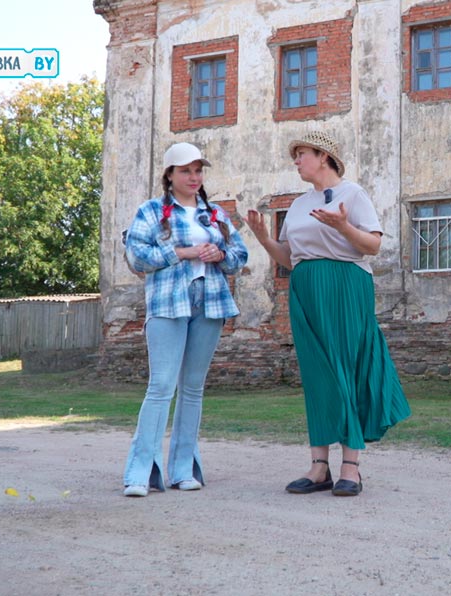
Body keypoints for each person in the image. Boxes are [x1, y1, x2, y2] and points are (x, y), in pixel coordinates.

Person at [244, 130, 410, 497]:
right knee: (317, 372)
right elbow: (290, 257)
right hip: (305, 289)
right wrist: (261, 237)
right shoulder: (300, 204)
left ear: (323, 156)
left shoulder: (353, 194)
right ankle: (319, 467)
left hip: (345, 286)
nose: (296, 161)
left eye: (301, 153)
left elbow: (373, 246)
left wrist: (343, 226)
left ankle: (351, 467)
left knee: (347, 367)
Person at [121, 142, 248, 497]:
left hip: (210, 303)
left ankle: (182, 471)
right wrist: (183, 252)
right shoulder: (151, 211)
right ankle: (140, 473)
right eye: (185, 171)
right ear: (170, 175)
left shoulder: (216, 215)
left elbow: (240, 256)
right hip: (166, 303)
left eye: (198, 170)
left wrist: (218, 253)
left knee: (192, 388)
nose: (193, 177)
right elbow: (138, 256)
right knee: (161, 386)